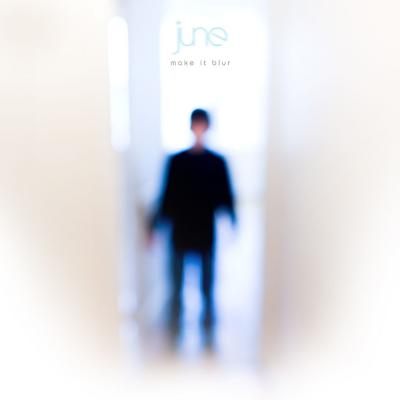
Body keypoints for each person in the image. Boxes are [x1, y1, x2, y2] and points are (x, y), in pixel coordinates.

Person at [150, 109, 236, 338]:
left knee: (207, 284)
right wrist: (155, 227)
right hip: (181, 230)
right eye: (196, 124)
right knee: (176, 283)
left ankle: (208, 326)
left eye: (202, 125)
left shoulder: (216, 163)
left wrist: (232, 222)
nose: (199, 129)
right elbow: (166, 196)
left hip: (205, 229)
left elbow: (226, 196)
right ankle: (174, 328)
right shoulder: (177, 162)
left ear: (207, 127)